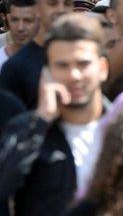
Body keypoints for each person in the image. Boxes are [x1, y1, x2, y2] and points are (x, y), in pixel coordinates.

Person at [0, 14, 108, 215]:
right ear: (46, 72)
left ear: (102, 68)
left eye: (83, 64)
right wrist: (41, 119)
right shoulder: (27, 129)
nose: (74, 75)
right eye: (62, 65)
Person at [0, 0, 73, 108]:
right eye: (53, 3)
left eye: (67, 3)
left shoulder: (82, 54)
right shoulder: (14, 67)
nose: (61, 10)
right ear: (37, 10)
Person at [0, 0, 38, 69]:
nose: (20, 27)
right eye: (15, 20)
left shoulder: (50, 60)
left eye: (27, 20)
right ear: (8, 19)